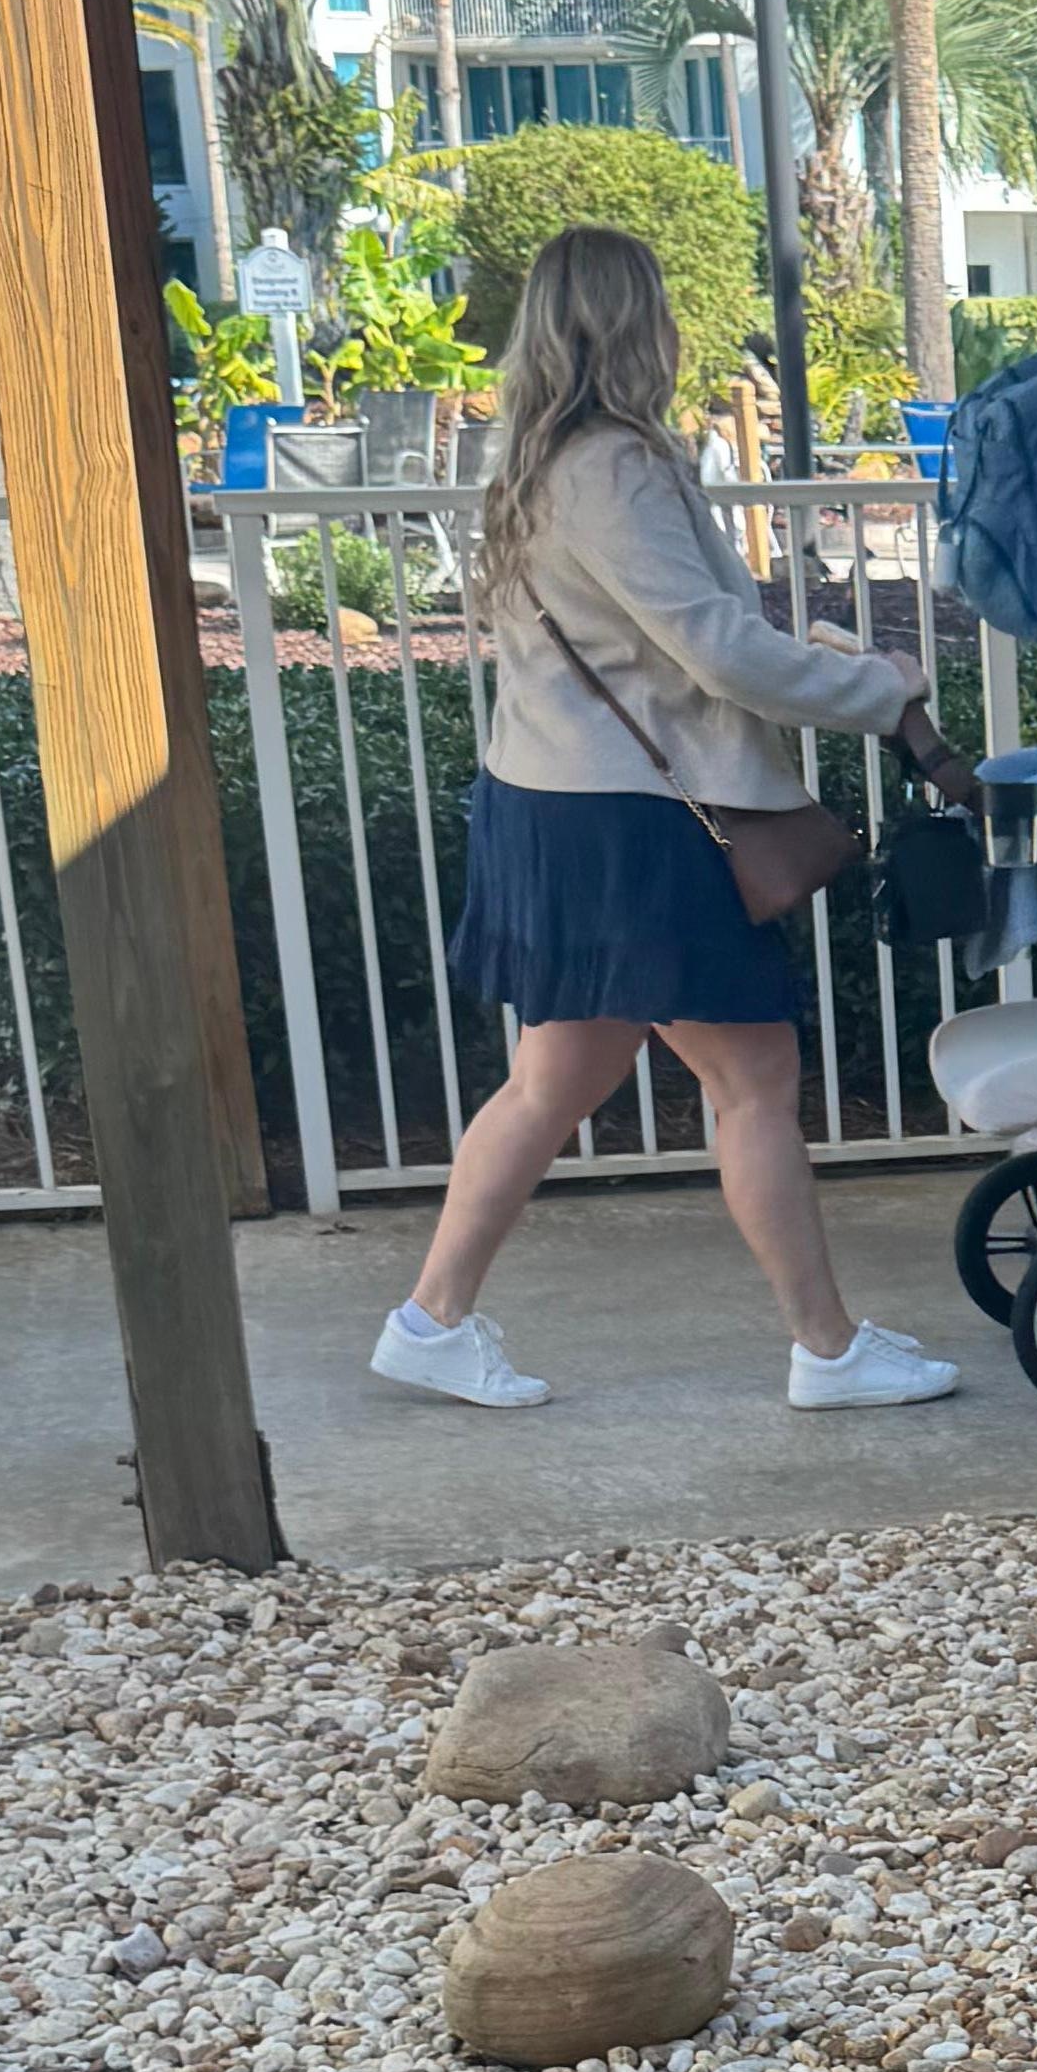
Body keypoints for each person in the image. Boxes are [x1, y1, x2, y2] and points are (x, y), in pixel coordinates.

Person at [374, 229, 961, 1415]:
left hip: (558, 803)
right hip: (631, 824)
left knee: (550, 1083)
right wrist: (877, 690)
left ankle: (429, 1321)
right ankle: (827, 1350)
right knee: (753, 1077)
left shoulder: (534, 461)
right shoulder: (615, 468)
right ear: (636, 325)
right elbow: (717, 650)